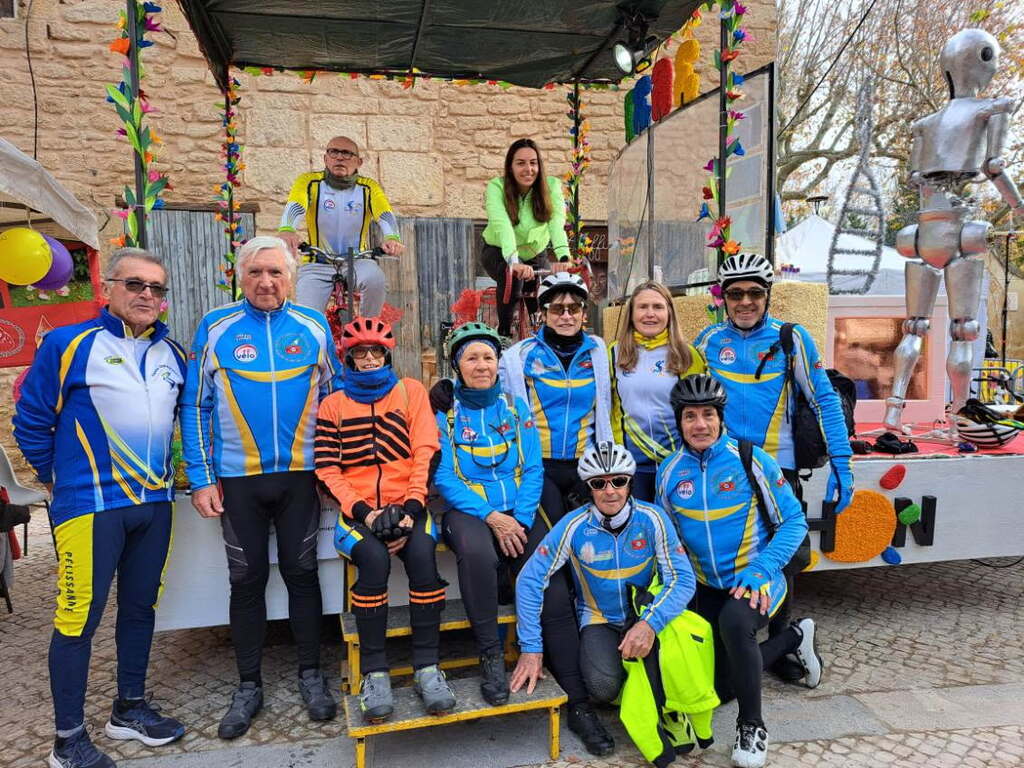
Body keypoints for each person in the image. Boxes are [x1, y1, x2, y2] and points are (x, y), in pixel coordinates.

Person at [14, 247, 187, 768]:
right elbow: (31, 419)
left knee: (140, 608)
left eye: (156, 288)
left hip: (154, 503)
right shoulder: (69, 344)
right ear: (107, 288)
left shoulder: (173, 354)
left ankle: (128, 709)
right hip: (89, 506)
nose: (147, 295)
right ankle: (67, 740)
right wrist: (55, 478)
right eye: (135, 284)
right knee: (77, 619)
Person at [181, 236, 341, 739]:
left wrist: (334, 470)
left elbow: (335, 401)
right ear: (240, 276)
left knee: (302, 573)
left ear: (291, 278)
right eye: (255, 272)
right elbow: (196, 405)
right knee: (246, 580)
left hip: (301, 478)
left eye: (275, 272)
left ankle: (311, 675)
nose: (266, 282)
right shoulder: (216, 325)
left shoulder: (314, 326)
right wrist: (201, 477)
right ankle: (248, 685)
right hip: (238, 479)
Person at [695, 252, 853, 678]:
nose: (745, 302)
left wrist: (842, 463)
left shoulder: (791, 338)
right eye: (735, 294)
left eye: (754, 293)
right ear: (723, 298)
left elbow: (824, 400)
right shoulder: (708, 341)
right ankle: (741, 635)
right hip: (727, 466)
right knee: (735, 549)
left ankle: (785, 642)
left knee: (783, 556)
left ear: (767, 295)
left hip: (777, 467)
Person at [656, 375, 822, 768]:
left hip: (758, 578)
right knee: (721, 687)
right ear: (679, 422)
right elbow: (670, 540)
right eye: (690, 416)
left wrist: (762, 569)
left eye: (708, 415)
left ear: (721, 418)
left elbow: (794, 522)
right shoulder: (668, 472)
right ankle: (796, 636)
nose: (700, 424)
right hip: (707, 586)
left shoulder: (750, 459)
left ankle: (752, 727)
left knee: (735, 623)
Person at [512, 442, 694, 757]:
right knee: (602, 688)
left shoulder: (653, 518)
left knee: (689, 670)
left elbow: (683, 579)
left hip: (648, 614)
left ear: (630, 483)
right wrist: (530, 647)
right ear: (589, 488)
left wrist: (649, 624)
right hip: (600, 619)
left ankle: (660, 697)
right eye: (599, 483)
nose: (610, 491)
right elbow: (529, 579)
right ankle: (641, 686)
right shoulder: (574, 525)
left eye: (618, 481)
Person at [315, 317, 451, 721]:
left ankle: (428, 668)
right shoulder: (333, 404)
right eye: (361, 353)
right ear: (350, 359)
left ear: (387, 355)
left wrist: (411, 510)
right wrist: (366, 514)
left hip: (408, 505)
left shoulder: (410, 391)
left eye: (376, 351)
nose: (370, 358)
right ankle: (374, 674)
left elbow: (425, 450)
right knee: (373, 561)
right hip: (358, 513)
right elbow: (327, 469)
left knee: (423, 555)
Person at [431, 322, 563, 707]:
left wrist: (520, 518)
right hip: (469, 510)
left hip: (518, 508)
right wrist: (492, 516)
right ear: (457, 366)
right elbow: (444, 477)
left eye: (488, 357)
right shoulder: (445, 413)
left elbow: (533, 467)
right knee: (478, 555)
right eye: (472, 358)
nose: (482, 365)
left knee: (544, 565)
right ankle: (490, 654)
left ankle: (541, 649)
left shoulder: (515, 407)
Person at [498, 271, 613, 530]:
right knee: (552, 535)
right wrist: (449, 389)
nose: (566, 316)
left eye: (574, 308)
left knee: (584, 538)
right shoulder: (521, 355)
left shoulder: (598, 353)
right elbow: (485, 383)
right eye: (557, 309)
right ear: (543, 313)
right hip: (539, 464)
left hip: (587, 463)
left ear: (583, 313)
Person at [277, 135, 405, 317]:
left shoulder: (369, 188)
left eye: (346, 153)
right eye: (333, 152)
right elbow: (296, 205)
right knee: (307, 317)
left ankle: (367, 327)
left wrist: (392, 237)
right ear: (325, 158)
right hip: (317, 263)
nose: (339, 157)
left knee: (376, 280)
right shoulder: (308, 182)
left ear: (359, 162)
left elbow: (384, 214)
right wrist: (287, 229)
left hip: (357, 261)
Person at [609, 281, 706, 502]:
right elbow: (606, 409)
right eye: (643, 307)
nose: (650, 314)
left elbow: (701, 411)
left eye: (658, 307)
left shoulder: (687, 354)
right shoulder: (613, 354)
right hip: (630, 466)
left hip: (678, 463)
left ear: (669, 312)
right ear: (631, 314)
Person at [481, 138, 571, 337]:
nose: (528, 169)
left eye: (533, 163)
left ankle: (541, 334)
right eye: (520, 163)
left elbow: (556, 223)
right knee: (513, 280)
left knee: (543, 292)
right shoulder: (496, 187)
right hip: (498, 250)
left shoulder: (551, 186)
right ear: (510, 167)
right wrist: (513, 262)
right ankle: (504, 334)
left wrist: (563, 256)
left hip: (535, 253)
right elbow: (502, 225)